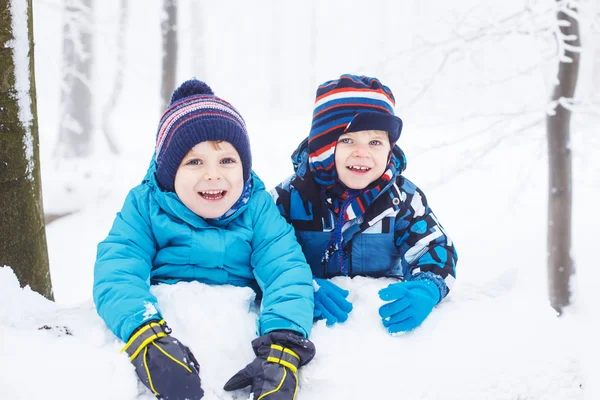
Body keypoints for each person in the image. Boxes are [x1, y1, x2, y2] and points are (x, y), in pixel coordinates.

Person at [93, 79, 315, 400]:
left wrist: (284, 345)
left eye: (227, 160)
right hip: (169, 333)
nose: (213, 174)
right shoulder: (146, 204)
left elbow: (286, 271)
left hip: (236, 338)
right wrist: (145, 337)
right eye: (194, 162)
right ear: (169, 173)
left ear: (244, 168)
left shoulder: (257, 206)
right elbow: (117, 268)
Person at [271, 74, 457, 335]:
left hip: (375, 328)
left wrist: (427, 285)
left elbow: (433, 244)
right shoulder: (289, 198)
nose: (362, 152)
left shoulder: (401, 198)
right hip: (315, 330)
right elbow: (262, 254)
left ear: (390, 149)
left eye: (375, 142)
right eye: (347, 140)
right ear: (323, 147)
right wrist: (299, 286)